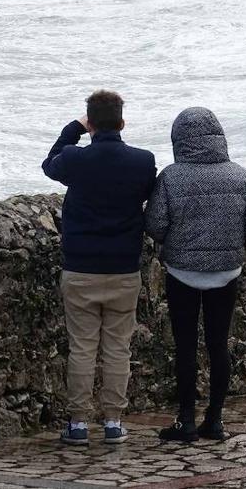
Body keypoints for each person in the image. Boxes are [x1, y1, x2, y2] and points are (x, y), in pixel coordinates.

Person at [41, 90, 157, 446]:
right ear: (122, 122)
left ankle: (77, 424)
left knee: (82, 349)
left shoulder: (76, 160)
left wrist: (72, 129)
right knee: (117, 348)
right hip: (123, 269)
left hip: (80, 270)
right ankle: (112, 421)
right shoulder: (142, 161)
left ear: (90, 122)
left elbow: (50, 164)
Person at [147, 107, 246, 442]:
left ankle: (185, 420)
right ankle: (214, 420)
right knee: (218, 345)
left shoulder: (170, 177)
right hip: (226, 273)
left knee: (185, 347)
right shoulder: (240, 176)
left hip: (182, 272)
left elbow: (155, 224)